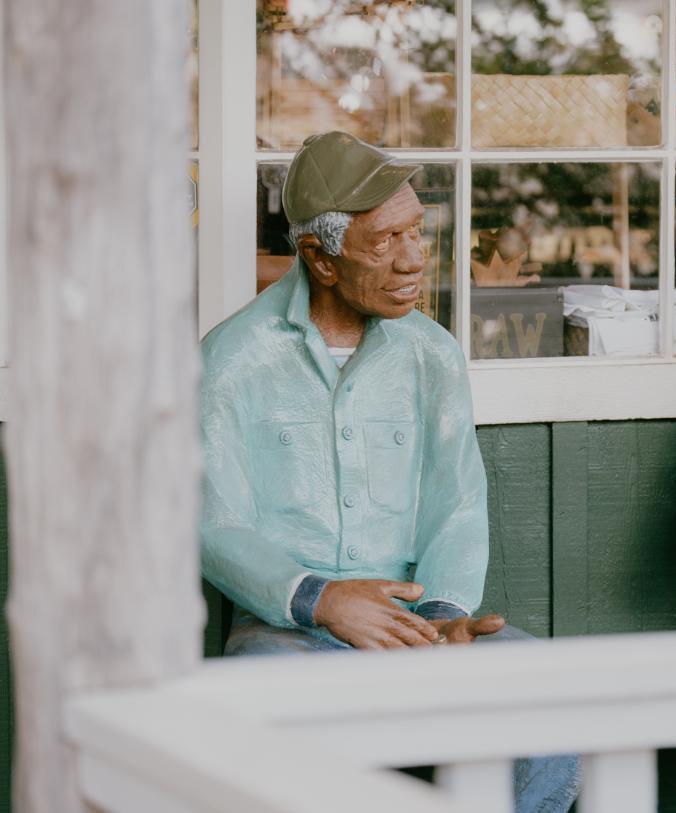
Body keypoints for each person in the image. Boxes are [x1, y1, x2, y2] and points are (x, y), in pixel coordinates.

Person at [199, 131, 580, 812]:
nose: (413, 259)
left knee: (551, 697)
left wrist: (436, 619)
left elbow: (457, 503)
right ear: (319, 257)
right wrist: (323, 599)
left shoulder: (431, 355)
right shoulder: (231, 359)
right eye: (386, 241)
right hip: (285, 633)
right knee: (261, 719)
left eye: (417, 232)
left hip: (417, 625)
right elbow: (211, 520)